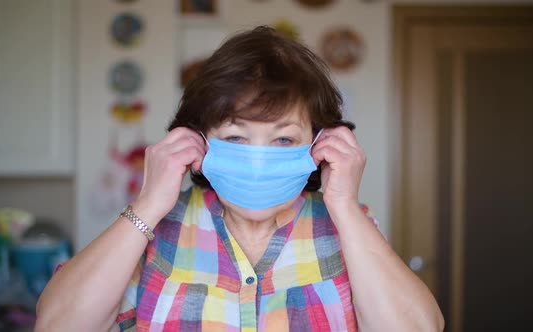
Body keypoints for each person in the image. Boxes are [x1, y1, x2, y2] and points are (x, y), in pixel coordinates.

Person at [35, 26, 444, 332]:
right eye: (235, 137)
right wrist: (147, 206)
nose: (259, 160)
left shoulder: (349, 228)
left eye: (284, 138)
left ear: (319, 145)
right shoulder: (156, 231)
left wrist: (345, 206)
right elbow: (58, 324)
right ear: (197, 142)